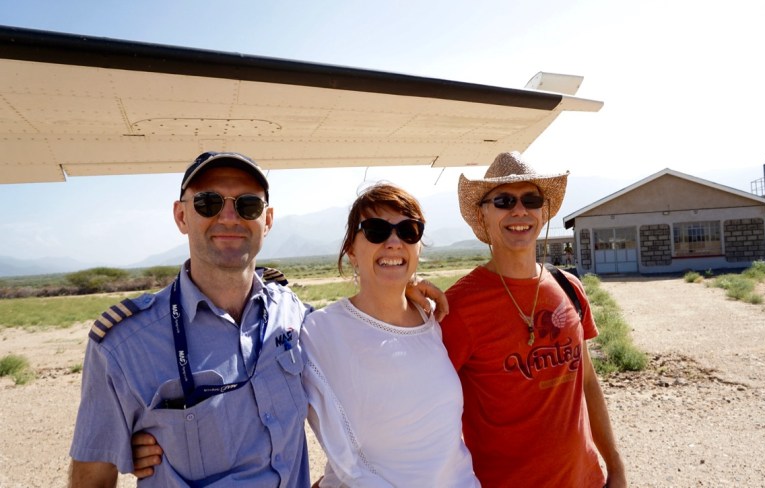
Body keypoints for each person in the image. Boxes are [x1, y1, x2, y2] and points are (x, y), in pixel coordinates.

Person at [68, 151, 312, 486]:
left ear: (267, 220)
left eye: (248, 205)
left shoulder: (292, 313)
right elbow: (93, 477)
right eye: (208, 203)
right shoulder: (122, 346)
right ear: (181, 216)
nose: (229, 217)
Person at [441, 151, 627, 487]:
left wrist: (615, 465)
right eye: (503, 201)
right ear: (482, 214)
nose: (519, 210)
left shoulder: (568, 287)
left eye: (531, 200)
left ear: (544, 212)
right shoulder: (458, 308)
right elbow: (429, 409)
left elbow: (587, 382)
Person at [301, 183, 478, 486]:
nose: (394, 242)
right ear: (351, 251)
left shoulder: (432, 320)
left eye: (409, 231)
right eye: (376, 230)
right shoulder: (320, 332)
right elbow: (348, 465)